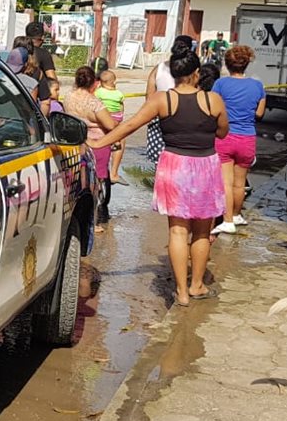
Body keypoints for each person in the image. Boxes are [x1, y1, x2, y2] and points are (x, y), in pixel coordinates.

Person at [90, 47, 228, 307]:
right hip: (205, 166)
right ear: (197, 73)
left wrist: (98, 144)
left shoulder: (162, 100)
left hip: (174, 165)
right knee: (201, 231)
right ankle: (196, 285)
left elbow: (130, 125)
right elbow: (222, 132)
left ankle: (181, 293)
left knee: (177, 231)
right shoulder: (213, 100)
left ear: (173, 73)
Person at [212, 45, 267, 235]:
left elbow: (213, 109)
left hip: (225, 136)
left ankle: (226, 220)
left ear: (227, 64)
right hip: (247, 137)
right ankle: (236, 214)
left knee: (225, 182)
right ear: (246, 64)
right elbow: (259, 113)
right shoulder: (258, 86)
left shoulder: (220, 84)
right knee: (239, 182)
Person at [64, 66, 118, 231]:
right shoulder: (94, 102)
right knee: (96, 184)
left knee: (78, 181)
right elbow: (109, 124)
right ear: (94, 83)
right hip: (97, 143)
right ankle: (92, 221)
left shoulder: (68, 97)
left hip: (76, 141)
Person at [144, 34, 195, 167]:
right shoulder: (193, 71)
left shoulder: (158, 68)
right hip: (186, 120)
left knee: (160, 165)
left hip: (159, 119)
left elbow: (149, 96)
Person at [95, 69, 126, 182]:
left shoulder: (98, 92)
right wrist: (120, 116)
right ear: (113, 82)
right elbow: (121, 106)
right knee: (119, 137)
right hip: (116, 118)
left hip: (103, 117)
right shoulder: (118, 94)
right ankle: (114, 173)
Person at [26, 22, 57, 105]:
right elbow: (52, 79)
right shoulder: (44, 54)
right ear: (42, 37)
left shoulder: (19, 51)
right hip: (37, 99)